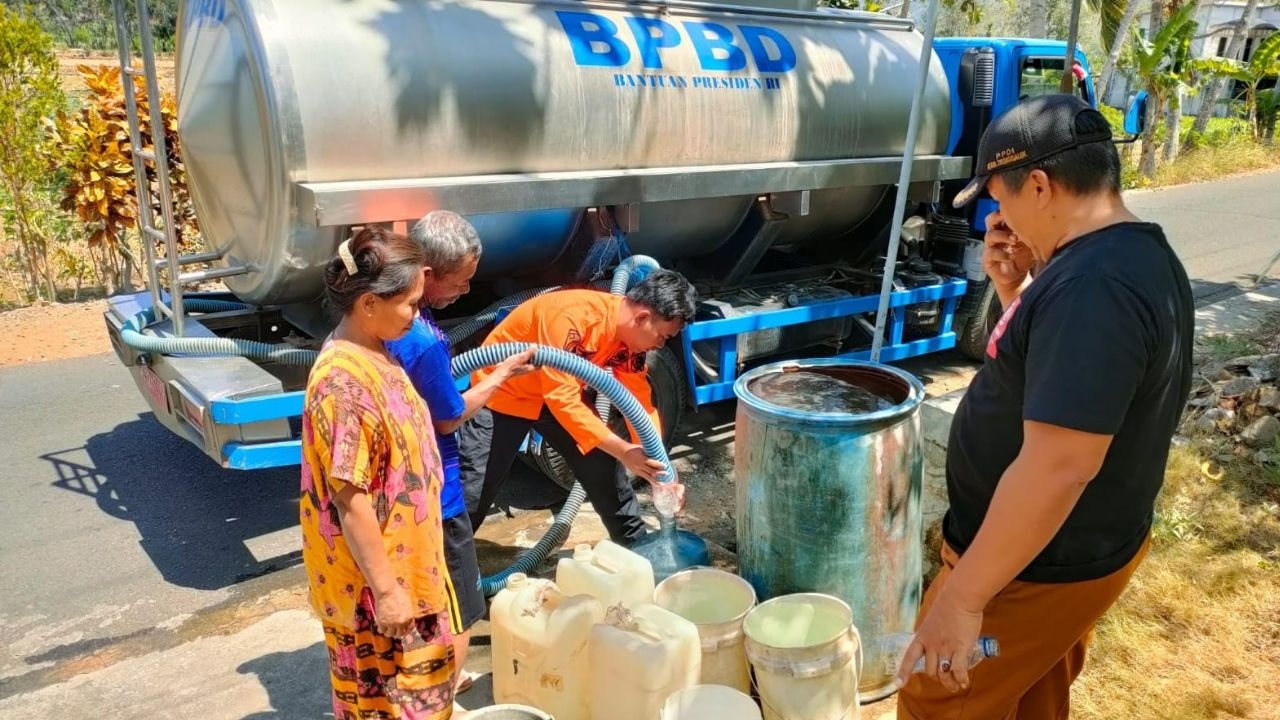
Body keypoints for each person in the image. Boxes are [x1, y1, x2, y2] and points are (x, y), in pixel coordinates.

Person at [895, 94, 1194, 719]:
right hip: (1066, 553)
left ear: (1038, 185)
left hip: (1031, 570)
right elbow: (1059, 376)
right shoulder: (1124, 257)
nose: (996, 218)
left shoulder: (1094, 287)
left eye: (999, 198)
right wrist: (1015, 293)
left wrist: (963, 598)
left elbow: (1060, 465)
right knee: (1034, 694)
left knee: (936, 697)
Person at [299, 226, 457, 720]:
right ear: (369, 304)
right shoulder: (342, 385)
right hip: (377, 592)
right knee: (393, 706)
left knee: (423, 700)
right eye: (410, 304)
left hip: (410, 569)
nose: (416, 315)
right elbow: (352, 501)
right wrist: (388, 594)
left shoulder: (377, 349)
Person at [386, 211, 535, 696]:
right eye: (462, 280)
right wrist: (498, 377)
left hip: (397, 488)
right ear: (427, 275)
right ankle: (443, 689)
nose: (468, 292)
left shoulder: (385, 318)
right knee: (459, 603)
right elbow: (449, 417)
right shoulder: (423, 338)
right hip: (436, 489)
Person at [459, 269, 698, 545]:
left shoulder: (631, 340)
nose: (661, 343)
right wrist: (624, 450)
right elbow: (563, 400)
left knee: (605, 470)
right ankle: (445, 569)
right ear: (642, 318)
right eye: (663, 336)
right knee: (473, 494)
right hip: (503, 394)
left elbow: (640, 403)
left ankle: (638, 548)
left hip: (556, 396)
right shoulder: (571, 316)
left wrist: (662, 470)